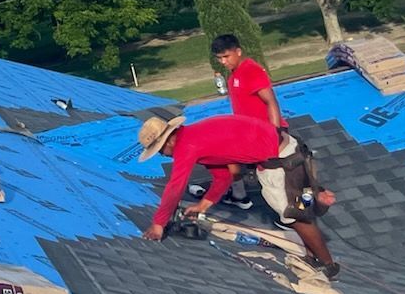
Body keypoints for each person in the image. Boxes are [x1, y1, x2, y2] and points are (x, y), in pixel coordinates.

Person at [135, 113, 341, 279]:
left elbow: (175, 187)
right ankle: (314, 257)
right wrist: (203, 206)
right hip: (283, 150)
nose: (164, 155)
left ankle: (327, 266)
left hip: (281, 159)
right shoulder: (195, 136)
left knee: (295, 214)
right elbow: (224, 176)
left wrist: (158, 223)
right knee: (295, 209)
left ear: (168, 141)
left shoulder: (186, 146)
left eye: (161, 151)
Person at [211, 33, 285, 129]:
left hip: (265, 130)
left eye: (226, 56)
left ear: (238, 52)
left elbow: (271, 101)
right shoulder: (234, 73)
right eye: (219, 58)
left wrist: (276, 132)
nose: (223, 62)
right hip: (249, 131)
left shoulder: (251, 70)